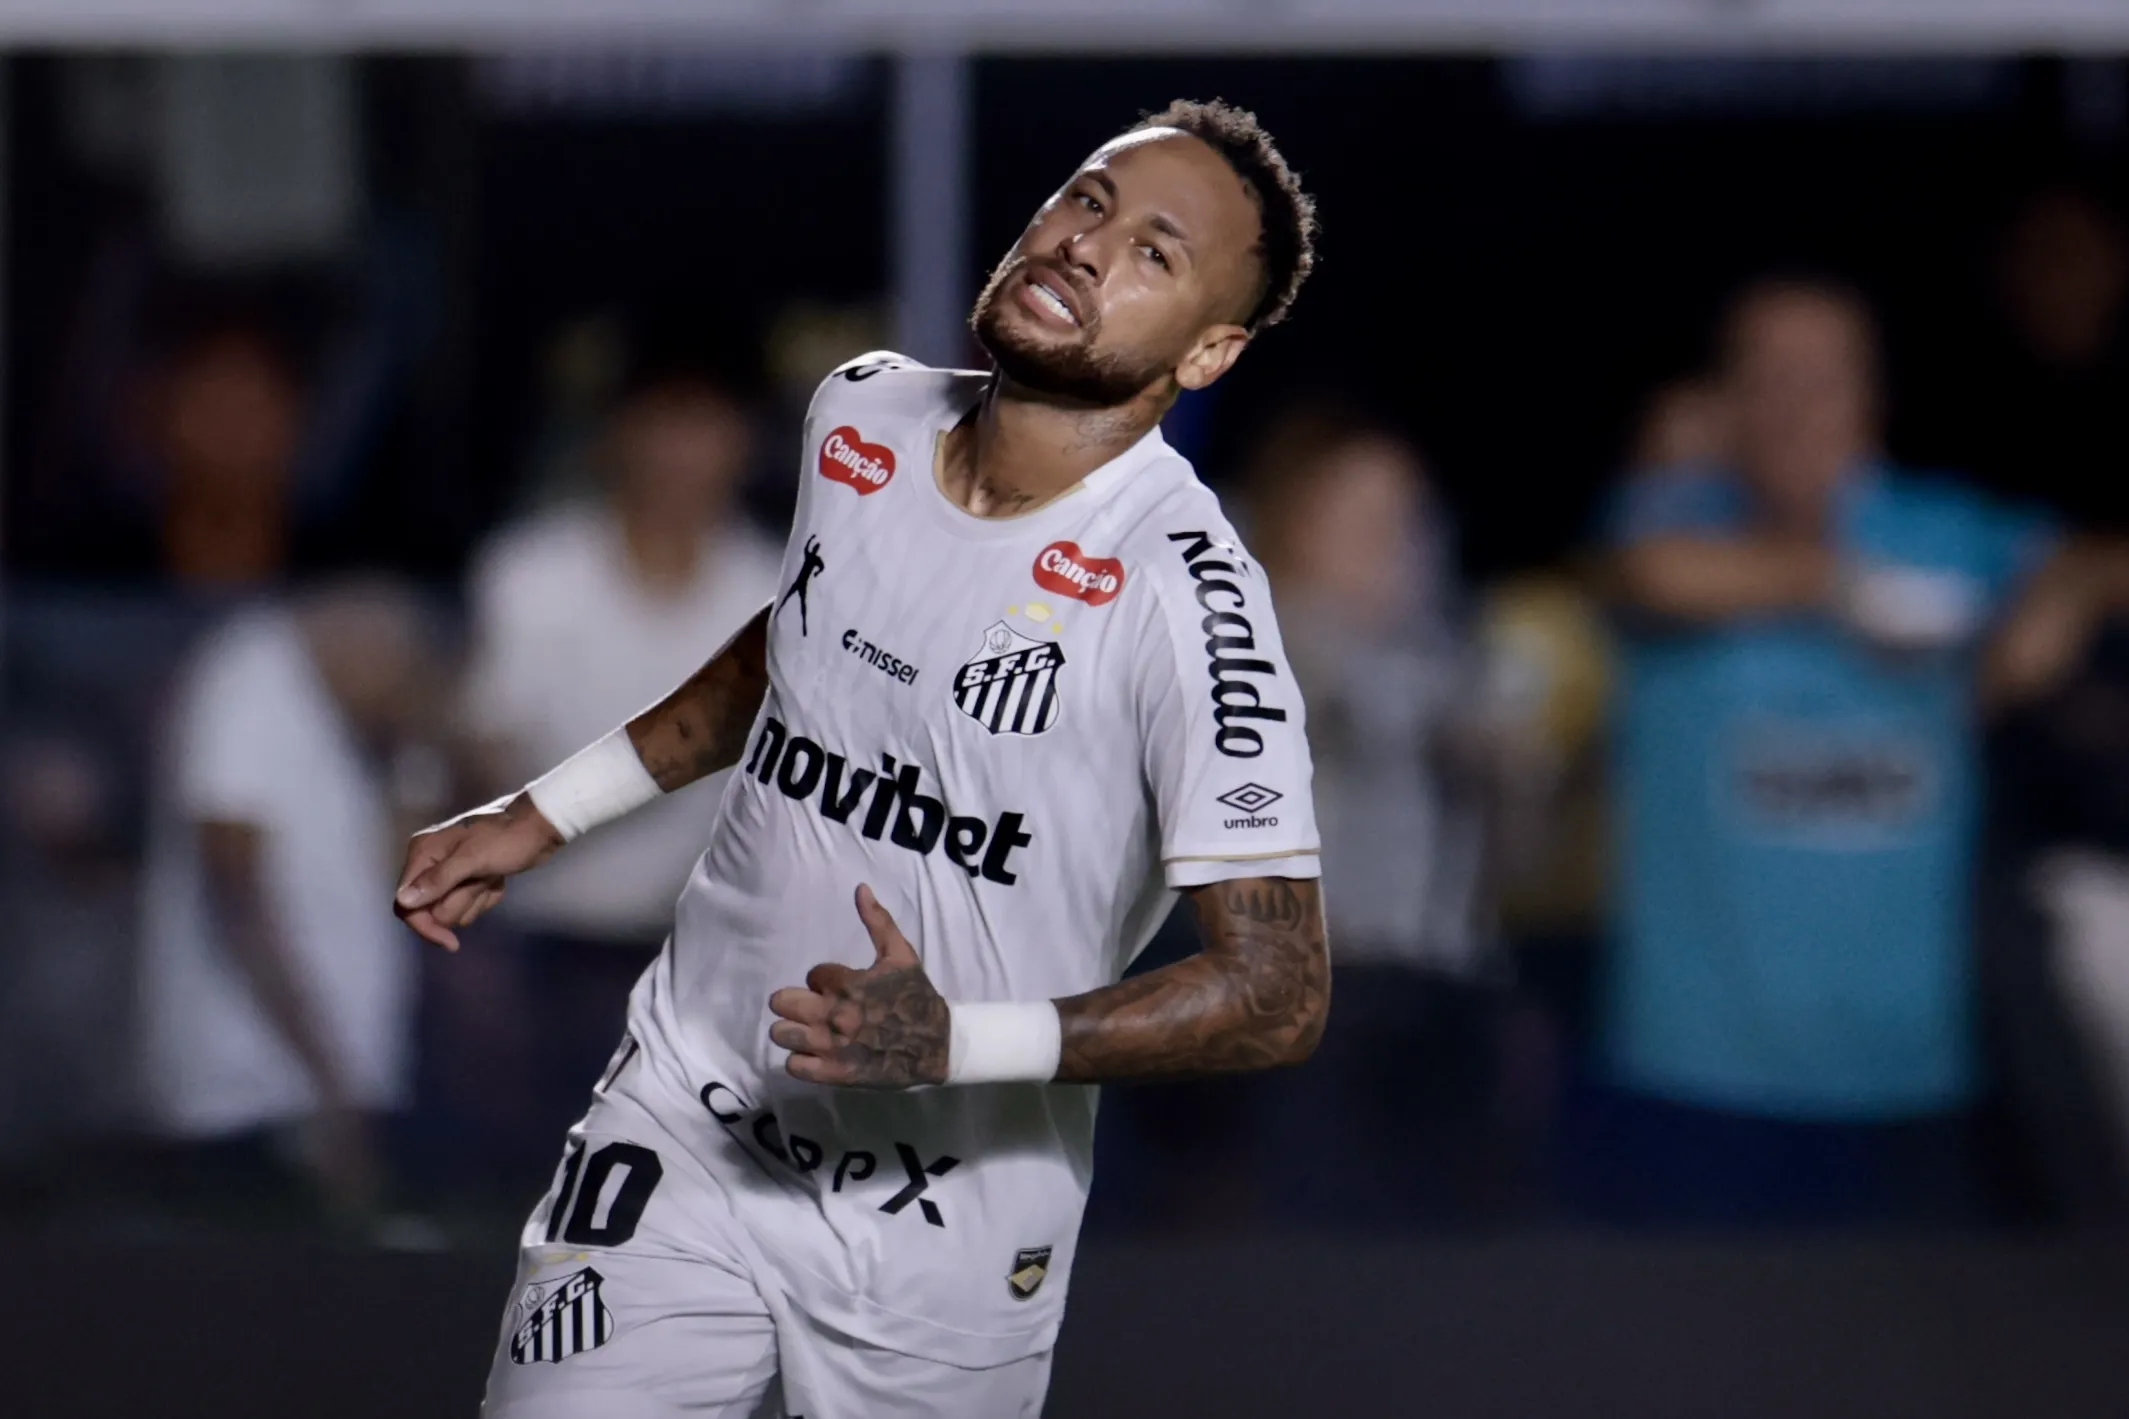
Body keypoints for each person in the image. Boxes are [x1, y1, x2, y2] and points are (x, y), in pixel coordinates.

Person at [395, 100, 1326, 1416]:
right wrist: (544, 811)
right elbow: (795, 647)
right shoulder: (862, 415)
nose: (1081, 245)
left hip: (942, 1218)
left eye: (1154, 253)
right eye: (1084, 200)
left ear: (1212, 349)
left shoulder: (1192, 600)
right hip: (692, 1110)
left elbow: (1280, 988)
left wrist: (958, 1037)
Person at [1589, 278, 2129, 1226]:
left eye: (1824, 377)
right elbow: (1647, 576)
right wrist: (1847, 588)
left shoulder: (1942, 528)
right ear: (1727, 400)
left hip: (1904, 1081)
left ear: (1871, 396)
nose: (1796, 404)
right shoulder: (1672, 517)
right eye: (1769, 376)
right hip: (1700, 1078)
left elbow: (2094, 559)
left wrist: (2061, 596)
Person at [448, 368, 782, 1178]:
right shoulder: (529, 572)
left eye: (703, 425)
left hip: (711, 958)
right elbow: (486, 755)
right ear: (616, 436)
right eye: (661, 423)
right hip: (545, 948)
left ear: (742, 441)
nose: (680, 454)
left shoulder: (781, 587)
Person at [137, 579, 440, 1221]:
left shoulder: (342, 721)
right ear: (366, 649)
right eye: (402, 684)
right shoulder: (251, 681)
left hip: (314, 1093)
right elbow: (235, 892)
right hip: (248, 1095)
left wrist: (414, 752)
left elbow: (403, 868)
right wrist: (325, 1073)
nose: (402, 705)